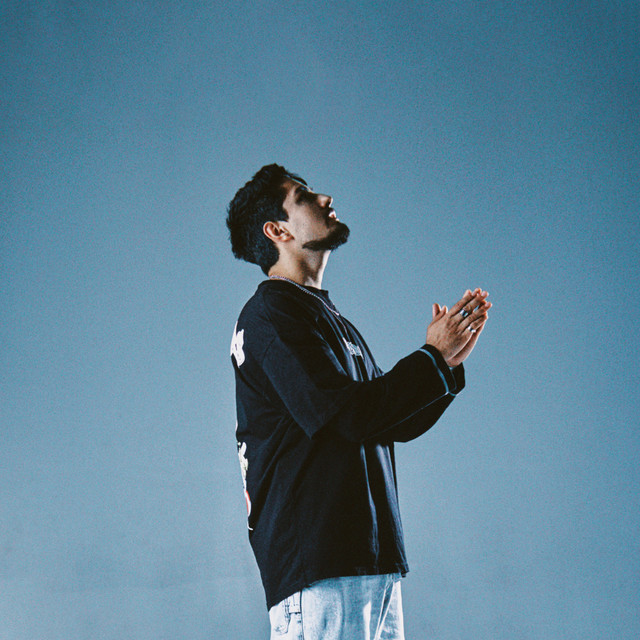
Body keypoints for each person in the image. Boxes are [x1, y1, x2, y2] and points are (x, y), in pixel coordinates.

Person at [226, 164, 491, 639]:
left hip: (367, 564)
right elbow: (346, 415)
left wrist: (445, 365)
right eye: (303, 196)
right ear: (277, 231)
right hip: (321, 567)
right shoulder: (272, 312)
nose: (325, 198)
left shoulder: (328, 318)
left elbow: (384, 420)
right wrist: (431, 357)